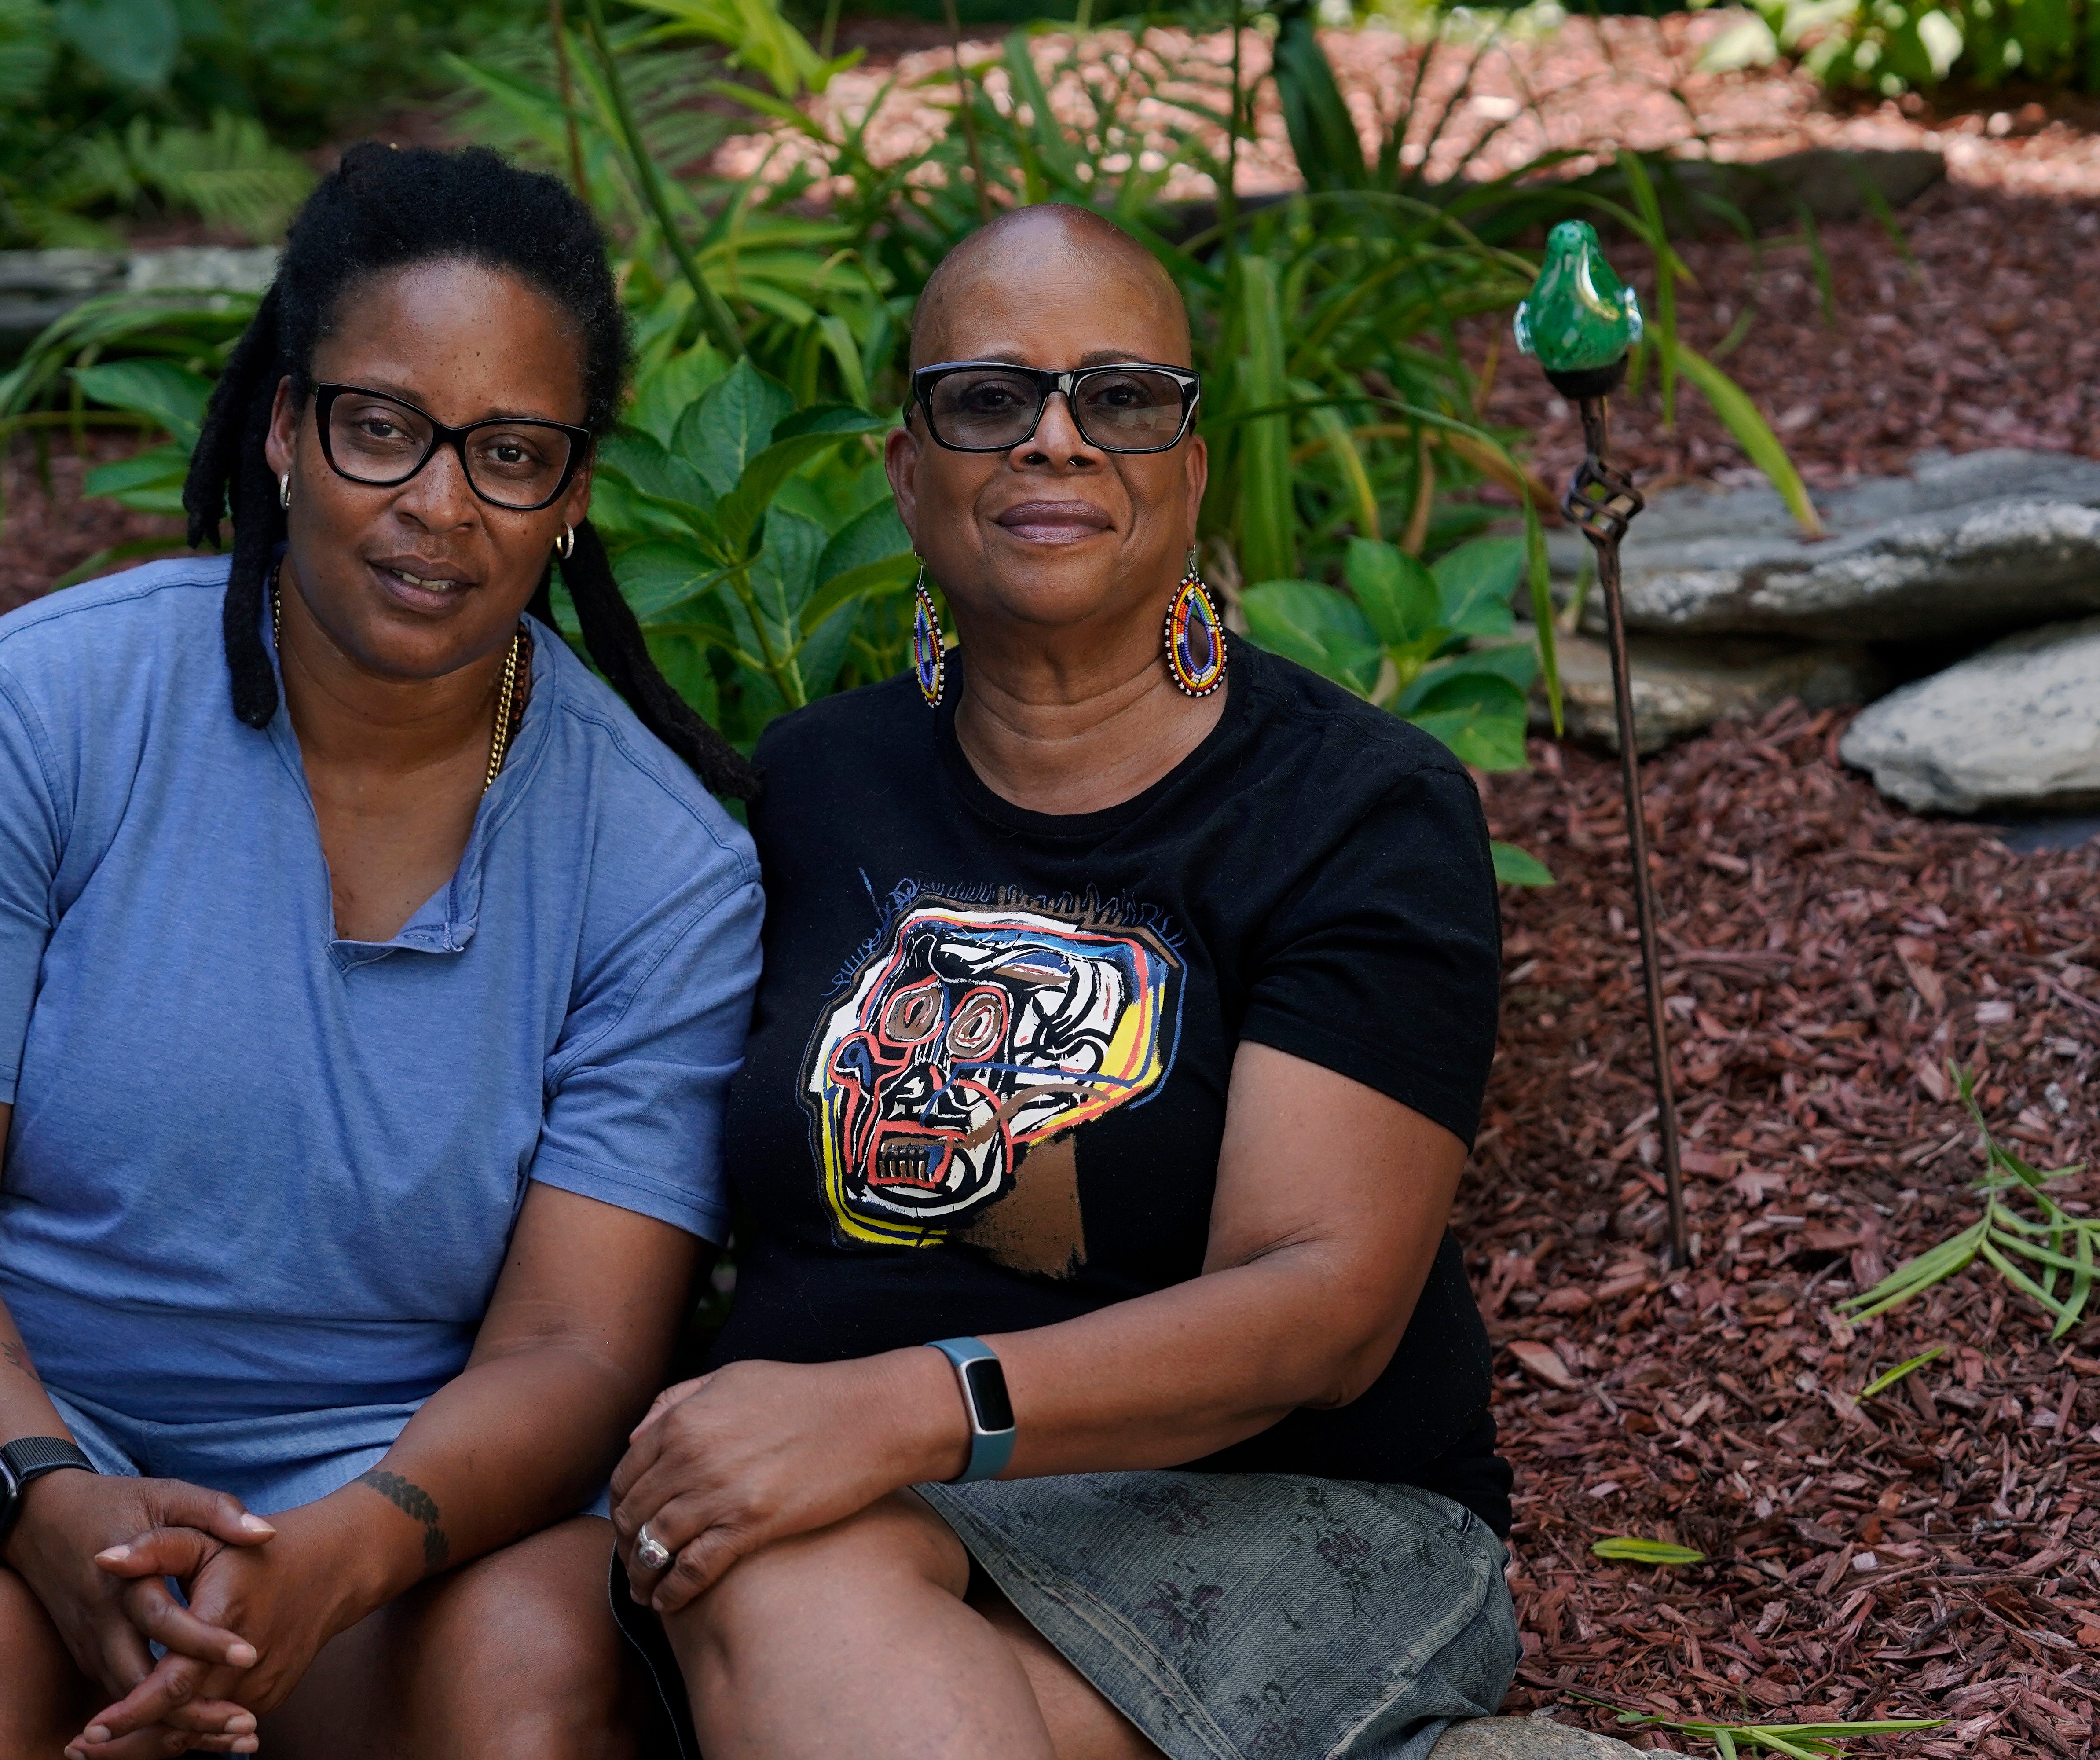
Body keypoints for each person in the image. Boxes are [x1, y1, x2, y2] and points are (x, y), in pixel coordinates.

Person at [0, 143, 765, 1760]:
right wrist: (43, 1501)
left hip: (388, 1464)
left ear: (575, 491)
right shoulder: (40, 710)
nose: (440, 504)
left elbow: (574, 1344)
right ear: (284, 427)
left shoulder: (661, 864)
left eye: (514, 453)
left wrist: (348, 1549)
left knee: (524, 1684)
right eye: (382, 427)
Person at [605, 204, 1518, 1760]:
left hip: (1260, 1511)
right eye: (986, 398)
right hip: (835, 1511)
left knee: (782, 1604)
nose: (1055, 441)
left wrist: (889, 1409)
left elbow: (1319, 1316)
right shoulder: (817, 785)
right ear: (908, 471)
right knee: (770, 1602)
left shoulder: (1351, 809)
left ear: (1190, 463)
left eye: (1121, 397)